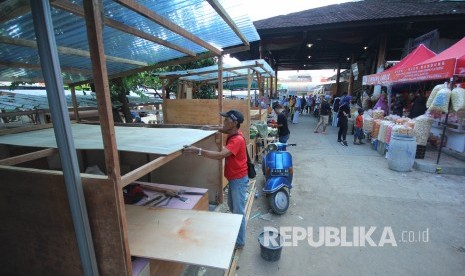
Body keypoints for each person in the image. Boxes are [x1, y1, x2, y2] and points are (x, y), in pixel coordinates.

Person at [183, 109, 248, 250]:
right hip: (234, 179)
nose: (224, 122)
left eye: (227, 120)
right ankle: (237, 232)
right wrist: (210, 128)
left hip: (238, 180)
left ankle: (240, 242)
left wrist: (198, 151)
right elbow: (224, 129)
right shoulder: (234, 132)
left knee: (238, 212)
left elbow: (220, 155)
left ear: (235, 123)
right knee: (233, 207)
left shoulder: (237, 140)